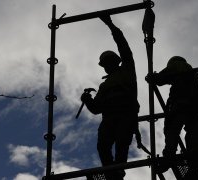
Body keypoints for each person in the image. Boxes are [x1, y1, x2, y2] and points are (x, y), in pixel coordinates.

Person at [81, 16, 139, 180]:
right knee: (103, 146)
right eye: (105, 64)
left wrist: (110, 25)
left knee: (121, 144)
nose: (106, 66)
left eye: (108, 63)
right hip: (109, 118)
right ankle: (110, 172)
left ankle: (118, 171)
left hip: (125, 114)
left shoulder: (127, 70)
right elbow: (96, 109)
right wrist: (87, 99)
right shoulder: (104, 86)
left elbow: (123, 45)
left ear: (115, 62)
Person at [146, 56, 198, 179]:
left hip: (181, 106)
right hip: (195, 108)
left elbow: (162, 78)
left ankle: (169, 158)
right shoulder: (193, 72)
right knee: (193, 134)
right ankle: (195, 164)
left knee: (172, 130)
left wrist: (153, 78)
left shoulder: (177, 65)